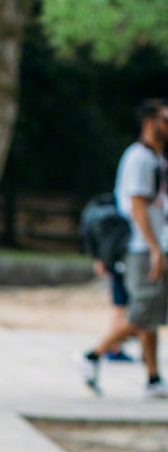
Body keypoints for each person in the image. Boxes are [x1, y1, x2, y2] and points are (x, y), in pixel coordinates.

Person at [81, 99, 168, 397]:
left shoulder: (157, 159)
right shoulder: (140, 159)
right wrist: (156, 248)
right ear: (150, 122)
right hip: (140, 248)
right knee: (144, 312)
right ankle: (93, 354)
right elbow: (137, 207)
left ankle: (154, 379)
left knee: (150, 313)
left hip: (150, 246)